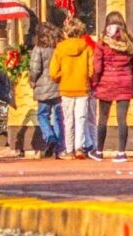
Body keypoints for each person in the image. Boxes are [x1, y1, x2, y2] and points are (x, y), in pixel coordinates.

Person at [92, 10, 133, 162]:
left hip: (106, 83)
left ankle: (99, 151)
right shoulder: (129, 41)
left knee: (103, 119)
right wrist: (132, 77)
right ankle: (121, 153)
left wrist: (95, 83)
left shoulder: (102, 42)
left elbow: (97, 67)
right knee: (122, 120)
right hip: (125, 83)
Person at [49, 16, 96, 159]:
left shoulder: (60, 48)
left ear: (66, 32)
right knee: (81, 118)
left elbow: (53, 72)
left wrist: (61, 77)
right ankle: (79, 147)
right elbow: (92, 70)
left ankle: (69, 150)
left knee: (68, 120)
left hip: (66, 88)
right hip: (83, 87)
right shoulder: (87, 47)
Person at [26, 21, 63, 158]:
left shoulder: (38, 48)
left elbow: (35, 68)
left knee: (42, 115)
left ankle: (49, 137)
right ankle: (59, 146)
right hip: (58, 85)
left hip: (43, 87)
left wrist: (33, 81)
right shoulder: (58, 45)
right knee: (59, 116)